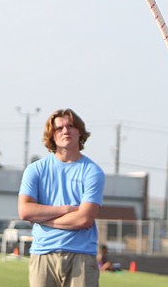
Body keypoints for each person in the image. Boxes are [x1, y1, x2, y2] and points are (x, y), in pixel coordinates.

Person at [18, 108, 104, 287]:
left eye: (70, 126)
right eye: (59, 128)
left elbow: (84, 219)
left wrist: (42, 219)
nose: (65, 131)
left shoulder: (93, 172)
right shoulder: (35, 170)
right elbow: (25, 211)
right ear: (51, 135)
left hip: (81, 256)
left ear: (79, 131)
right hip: (42, 254)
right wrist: (65, 209)